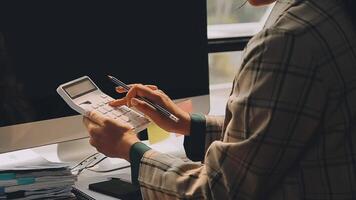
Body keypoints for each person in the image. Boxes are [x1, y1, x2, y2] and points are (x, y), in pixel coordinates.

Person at [83, 0, 356, 199]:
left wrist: (130, 150)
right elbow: (280, 132)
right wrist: (187, 124)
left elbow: (220, 190)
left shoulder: (287, 40)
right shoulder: (330, 14)